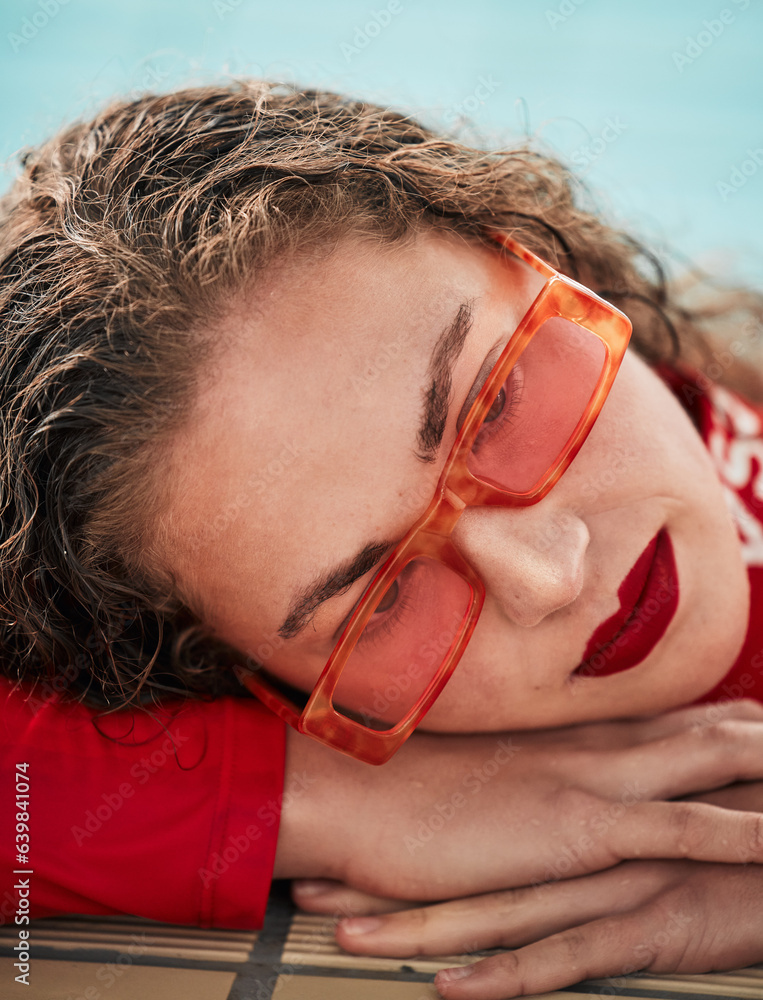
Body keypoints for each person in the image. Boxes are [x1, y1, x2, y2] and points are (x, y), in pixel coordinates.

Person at [2, 79, 763, 998]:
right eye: (382, 599)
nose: (545, 578)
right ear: (255, 683)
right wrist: (323, 801)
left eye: (492, 409)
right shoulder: (324, 730)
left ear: (532, 250)